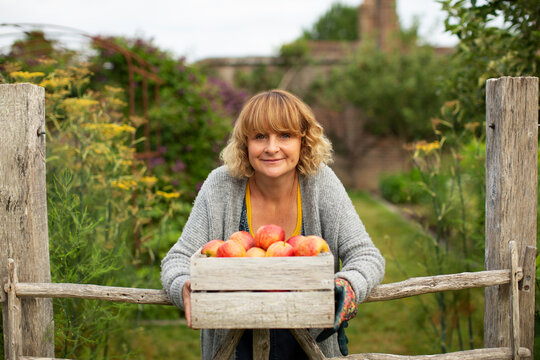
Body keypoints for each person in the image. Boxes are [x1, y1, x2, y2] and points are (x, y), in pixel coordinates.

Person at [161, 89, 385, 360]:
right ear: (245, 143)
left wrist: (347, 284)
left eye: (285, 135)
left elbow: (366, 256)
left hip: (309, 345)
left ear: (304, 141)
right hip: (234, 345)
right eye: (259, 136)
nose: (271, 147)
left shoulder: (320, 183)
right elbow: (178, 259)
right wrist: (184, 284)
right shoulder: (221, 185)